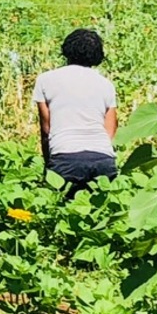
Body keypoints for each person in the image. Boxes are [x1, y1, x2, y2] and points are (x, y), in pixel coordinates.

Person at [33, 28, 118, 194]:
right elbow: (111, 130)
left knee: (60, 214)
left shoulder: (45, 80)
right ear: (98, 55)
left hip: (65, 156)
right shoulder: (106, 84)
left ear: (66, 50)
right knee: (102, 215)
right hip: (103, 159)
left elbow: (47, 129)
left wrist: (49, 165)